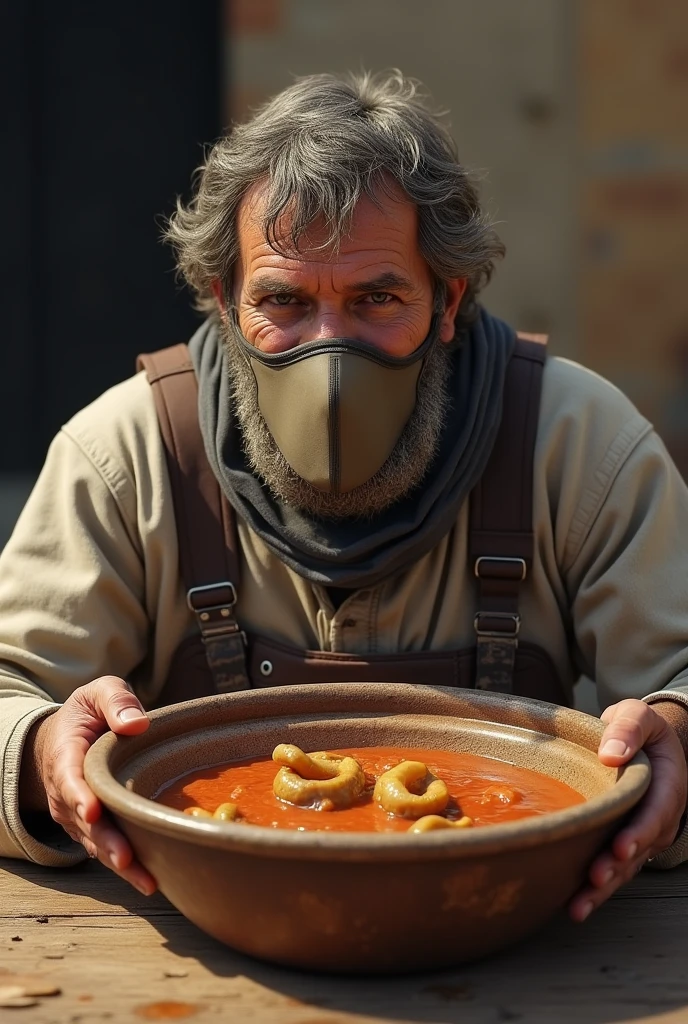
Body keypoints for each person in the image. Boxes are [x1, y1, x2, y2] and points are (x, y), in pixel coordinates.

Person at [2, 72, 687, 926]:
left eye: (377, 299)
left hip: (519, 941)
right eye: (283, 301)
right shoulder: (130, 454)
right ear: (225, 301)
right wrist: (35, 756)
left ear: (448, 301)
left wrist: (677, 736)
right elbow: (7, 686)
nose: (329, 359)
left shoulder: (577, 442)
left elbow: (681, 681)